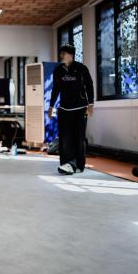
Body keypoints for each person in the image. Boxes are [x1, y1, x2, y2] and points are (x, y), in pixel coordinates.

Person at [48, 43, 94, 175]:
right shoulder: (58, 70)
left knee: (79, 138)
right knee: (64, 138)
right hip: (64, 109)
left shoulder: (81, 69)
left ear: (71, 55)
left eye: (64, 53)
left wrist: (90, 104)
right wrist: (51, 106)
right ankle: (66, 163)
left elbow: (89, 86)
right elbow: (55, 89)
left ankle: (79, 164)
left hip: (80, 108)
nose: (61, 55)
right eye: (61, 53)